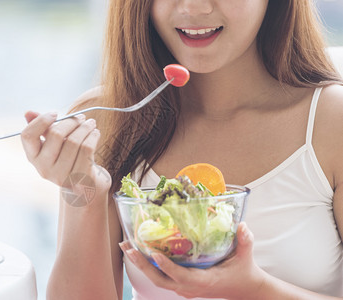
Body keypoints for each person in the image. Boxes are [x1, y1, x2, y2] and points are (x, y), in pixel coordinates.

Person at [21, 0, 343, 299]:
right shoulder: (104, 120)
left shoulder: (332, 122)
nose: (193, 7)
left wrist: (251, 286)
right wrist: (81, 192)